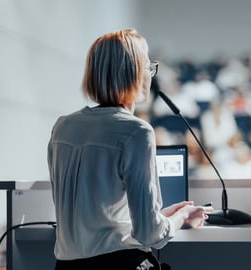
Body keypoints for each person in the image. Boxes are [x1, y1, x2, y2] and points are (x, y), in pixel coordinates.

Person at [47, 29, 213, 270]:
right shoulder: (136, 132)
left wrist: (163, 215)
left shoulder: (63, 127)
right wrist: (182, 217)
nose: (151, 75)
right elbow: (151, 235)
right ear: (133, 73)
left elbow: (100, 222)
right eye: (148, 67)